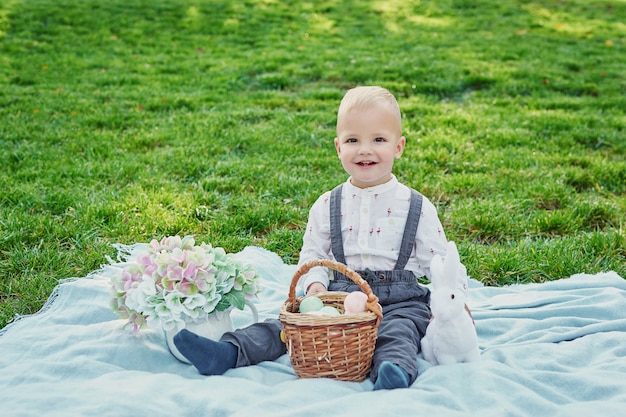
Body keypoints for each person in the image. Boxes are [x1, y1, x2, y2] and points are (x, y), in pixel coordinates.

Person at [173, 86, 465, 390]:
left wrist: (458, 300)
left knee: (399, 332)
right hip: (338, 295)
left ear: (399, 147)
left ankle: (392, 372)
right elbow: (313, 253)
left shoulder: (416, 206)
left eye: (379, 139)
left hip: (400, 301)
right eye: (353, 140)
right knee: (288, 326)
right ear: (339, 147)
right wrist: (315, 286)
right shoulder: (328, 204)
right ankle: (228, 352)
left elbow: (442, 264)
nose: (365, 149)